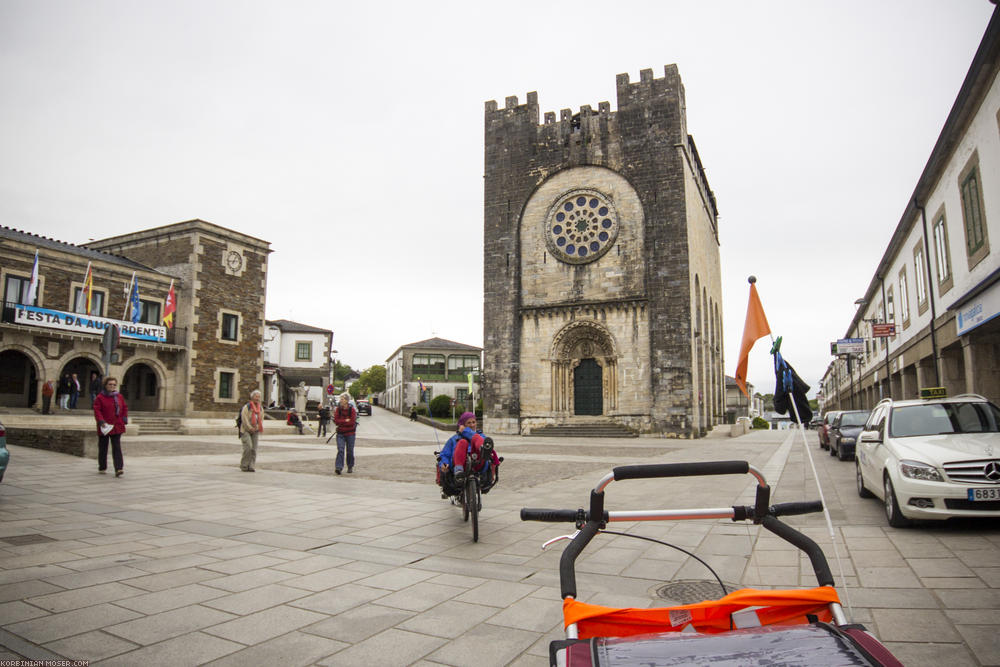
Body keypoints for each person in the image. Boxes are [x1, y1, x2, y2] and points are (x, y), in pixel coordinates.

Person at [438, 412, 500, 496]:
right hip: (460, 465)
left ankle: (482, 448)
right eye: (469, 423)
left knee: (477, 438)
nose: (472, 425)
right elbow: (445, 454)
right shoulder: (454, 438)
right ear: (462, 425)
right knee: (462, 442)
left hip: (478, 463)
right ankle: (459, 471)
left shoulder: (481, 436)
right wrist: (444, 463)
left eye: (473, 422)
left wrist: (466, 431)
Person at [93, 376, 128, 477]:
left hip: (117, 425)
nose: (112, 386)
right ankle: (102, 466)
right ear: (105, 385)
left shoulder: (119, 396)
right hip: (105, 425)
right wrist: (101, 421)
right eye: (110, 384)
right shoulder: (100, 397)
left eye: (114, 384)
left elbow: (124, 407)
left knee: (116, 446)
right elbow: (97, 410)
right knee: (103, 447)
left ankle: (119, 468)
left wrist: (124, 418)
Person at [239, 389, 264, 472]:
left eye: (259, 397)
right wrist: (250, 428)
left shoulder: (260, 408)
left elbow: (261, 418)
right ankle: (244, 465)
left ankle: (251, 465)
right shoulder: (247, 407)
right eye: (256, 396)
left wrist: (256, 427)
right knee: (248, 447)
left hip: (255, 430)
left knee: (254, 449)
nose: (257, 398)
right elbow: (244, 418)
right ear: (252, 397)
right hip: (245, 430)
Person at [333, 392, 357, 475]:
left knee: (350, 451)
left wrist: (341, 422)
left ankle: (350, 466)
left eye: (342, 399)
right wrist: (344, 421)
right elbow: (336, 421)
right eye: (340, 399)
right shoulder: (338, 409)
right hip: (340, 433)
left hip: (350, 434)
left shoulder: (352, 410)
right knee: (340, 449)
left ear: (347, 400)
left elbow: (352, 422)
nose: (340, 400)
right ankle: (338, 467)